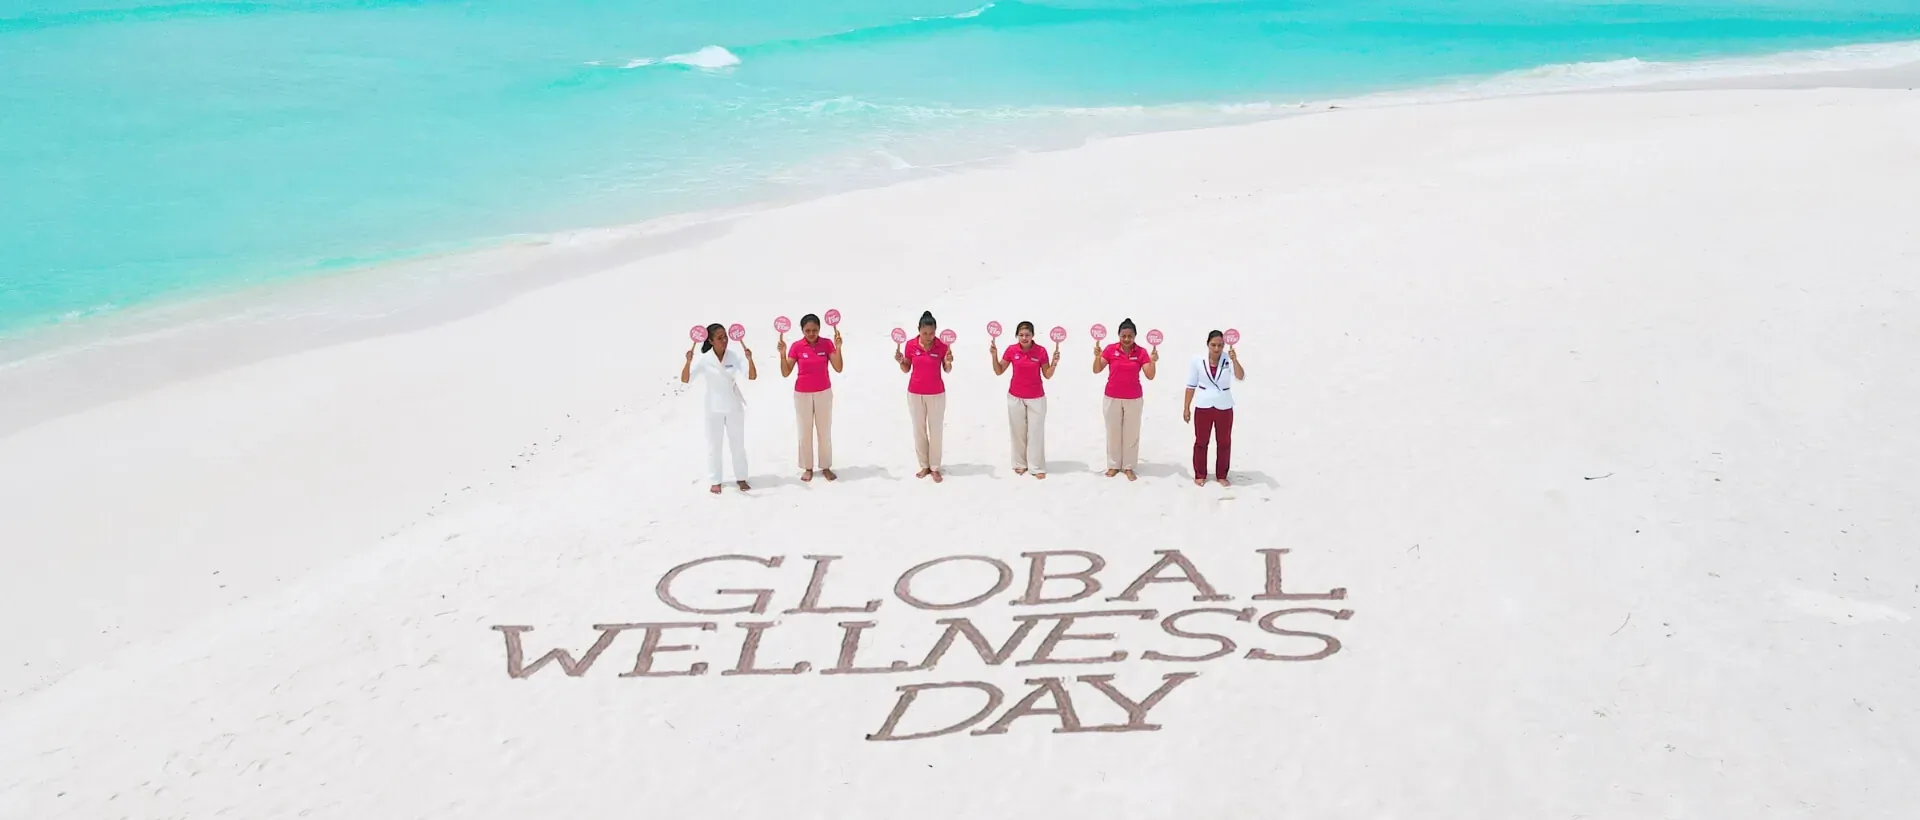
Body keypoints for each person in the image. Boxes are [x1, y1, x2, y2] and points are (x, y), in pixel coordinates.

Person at [680, 323, 756, 494]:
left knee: (738, 444)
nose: (724, 341)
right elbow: (686, 379)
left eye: (725, 337)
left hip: (733, 407)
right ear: (711, 340)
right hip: (713, 409)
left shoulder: (733, 356)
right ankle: (715, 480)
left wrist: (750, 359)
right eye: (719, 338)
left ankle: (741, 477)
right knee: (714, 445)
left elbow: (751, 376)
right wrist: (688, 361)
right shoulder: (705, 359)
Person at [779, 313, 843, 482]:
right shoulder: (797, 346)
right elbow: (786, 372)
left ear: (819, 329)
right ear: (802, 330)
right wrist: (782, 353)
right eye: (807, 330)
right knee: (804, 432)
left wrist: (839, 347)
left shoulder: (827, 344)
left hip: (823, 393)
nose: (811, 333)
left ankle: (826, 466)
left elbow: (838, 368)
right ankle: (808, 467)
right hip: (802, 394)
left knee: (824, 431)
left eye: (814, 330)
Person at [991, 321, 1058, 478]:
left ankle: (1036, 466)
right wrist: (994, 356)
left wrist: (1054, 364)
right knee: (1018, 432)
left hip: (1036, 398)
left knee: (1035, 432)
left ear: (1033, 335)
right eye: (1021, 335)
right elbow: (999, 371)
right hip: (1015, 397)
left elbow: (1047, 374)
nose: (1024, 338)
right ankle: (1020, 463)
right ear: (1017, 336)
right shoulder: (1011, 350)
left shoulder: (1041, 351)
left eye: (1027, 335)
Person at [1093, 317, 1157, 480]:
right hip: (1112, 397)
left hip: (1134, 398)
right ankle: (1113, 465)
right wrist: (1097, 356)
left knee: (1131, 433)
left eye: (1130, 336)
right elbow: (1097, 369)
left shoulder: (1141, 352)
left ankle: (1128, 466)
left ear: (1135, 336)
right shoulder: (1110, 349)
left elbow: (1150, 375)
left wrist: (1153, 361)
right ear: (1119, 335)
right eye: (1124, 336)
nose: (1127, 339)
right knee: (1113, 432)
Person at [895, 310, 953, 482]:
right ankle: (924, 465)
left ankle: (935, 467)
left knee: (936, 431)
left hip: (936, 394)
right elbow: (906, 368)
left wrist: (949, 361)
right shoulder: (911, 345)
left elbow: (947, 369)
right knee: (919, 430)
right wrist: (900, 360)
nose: (928, 337)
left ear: (936, 331)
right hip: (915, 393)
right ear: (918, 330)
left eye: (932, 333)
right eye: (925, 333)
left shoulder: (942, 346)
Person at [1183, 330, 1245, 486]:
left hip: (1224, 405)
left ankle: (1222, 474)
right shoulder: (1197, 360)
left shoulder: (1228, 359)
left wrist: (1235, 360)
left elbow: (1240, 376)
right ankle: (1200, 473)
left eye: (1220, 345)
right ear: (1208, 345)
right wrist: (1186, 407)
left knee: (1224, 442)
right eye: (1213, 345)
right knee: (1201, 441)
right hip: (1203, 405)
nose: (1217, 348)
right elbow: (1190, 385)